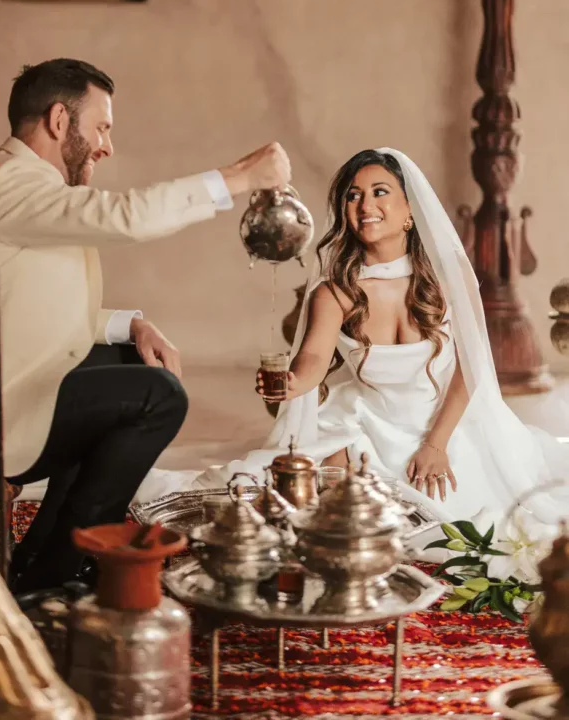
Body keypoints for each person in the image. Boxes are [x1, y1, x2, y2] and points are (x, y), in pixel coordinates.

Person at [0, 57, 291, 592]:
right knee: (158, 397)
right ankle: (58, 571)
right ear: (59, 121)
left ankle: (41, 558)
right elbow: (125, 217)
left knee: (132, 362)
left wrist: (129, 326)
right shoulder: (5, 176)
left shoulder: (27, 189)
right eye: (101, 127)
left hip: (2, 385)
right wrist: (238, 178)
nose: (107, 146)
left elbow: (29, 303)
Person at [136, 148, 569, 541]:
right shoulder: (336, 292)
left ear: (409, 211)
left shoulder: (448, 279)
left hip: (451, 423)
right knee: (305, 506)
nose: (365, 205)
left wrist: (436, 445)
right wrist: (292, 383)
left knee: (486, 522)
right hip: (365, 424)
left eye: (380, 192)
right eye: (353, 196)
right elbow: (313, 358)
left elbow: (471, 370)